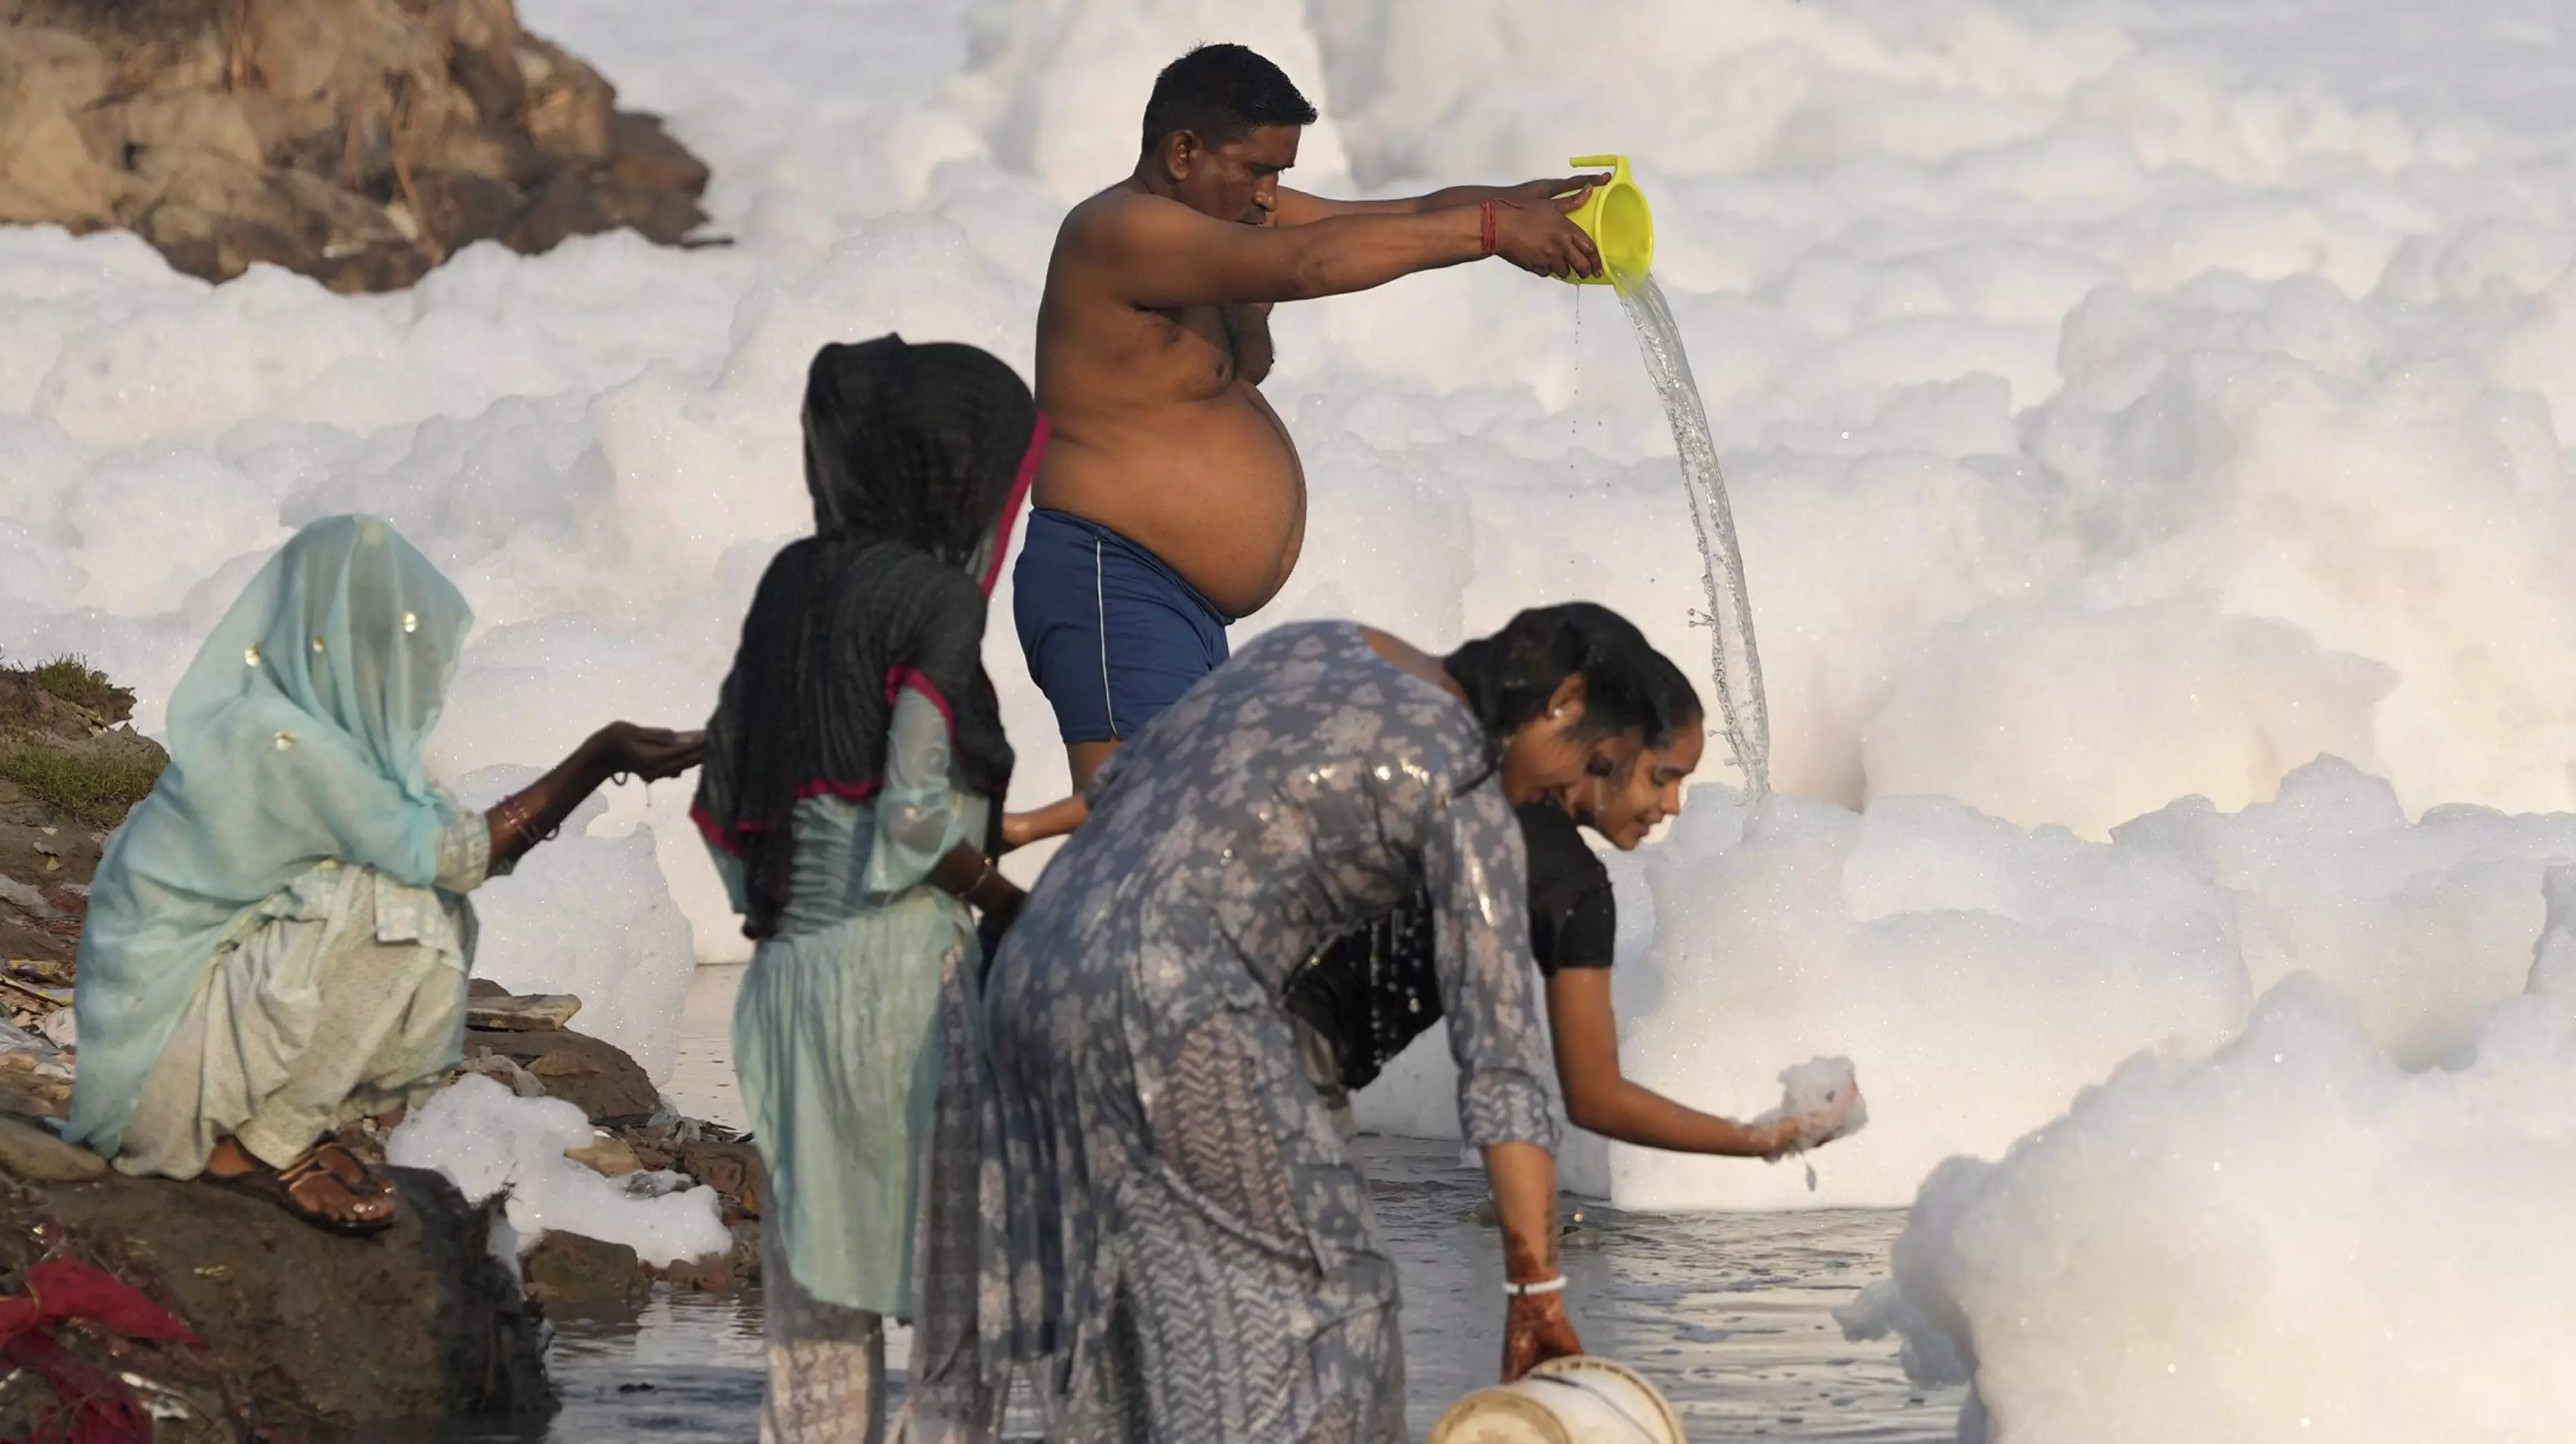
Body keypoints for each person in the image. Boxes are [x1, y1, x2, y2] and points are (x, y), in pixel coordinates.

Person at [974, 604, 1692, 1443]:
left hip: (1028, 981)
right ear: (1562, 703)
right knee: (1338, 1320)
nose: (1567, 789)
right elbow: (1499, 1067)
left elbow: (1133, 779)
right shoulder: (1463, 777)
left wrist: (1018, 831)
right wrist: (1533, 1290)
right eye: (1592, 756)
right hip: (1182, 1016)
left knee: (1125, 1351)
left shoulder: (1313, 647)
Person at [1013, 41, 1613, 806]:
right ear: (1184, 152)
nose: (1271, 195)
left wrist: (1518, 204)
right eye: (1257, 170)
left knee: (1187, 842)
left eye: (1281, 175)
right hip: (1114, 579)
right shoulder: (1121, 231)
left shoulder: (1229, 212)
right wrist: (1493, 229)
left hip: (1183, 602)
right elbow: (1310, 264)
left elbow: (1392, 217)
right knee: (1138, 843)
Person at [68, 514, 703, 1233]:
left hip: (166, 1053)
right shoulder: (281, 746)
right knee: (410, 915)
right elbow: (456, 859)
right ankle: (249, 1156)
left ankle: (288, 1133)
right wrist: (600, 757)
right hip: (163, 1081)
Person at [691, 337, 1046, 1444]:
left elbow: (721, 801)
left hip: (788, 977)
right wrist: (1014, 905)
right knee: (962, 1292)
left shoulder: (792, 580)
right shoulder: (936, 598)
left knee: (814, 1309)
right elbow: (909, 819)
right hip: (905, 980)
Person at [1286, 627, 1865, 1159]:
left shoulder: (1470, 780)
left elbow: (1352, 647)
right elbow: (1594, 1096)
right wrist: (1767, 1137)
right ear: (1603, 752)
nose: (1673, 805)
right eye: (1661, 778)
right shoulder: (1569, 884)